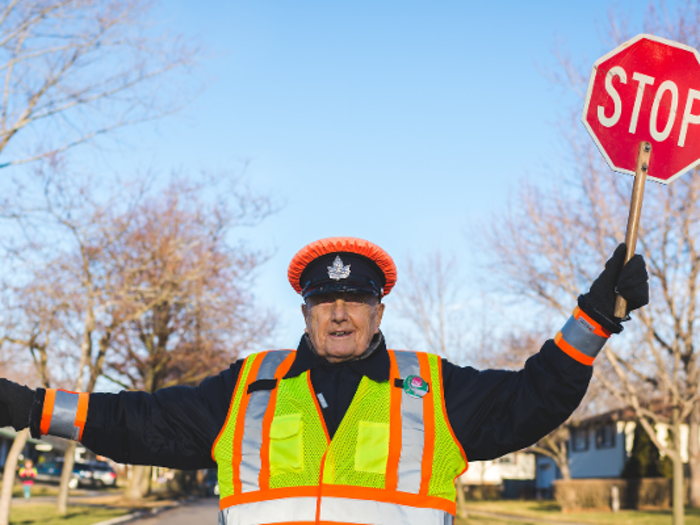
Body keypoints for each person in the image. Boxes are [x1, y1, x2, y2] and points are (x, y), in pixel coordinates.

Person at [0, 237, 648, 525]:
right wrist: (31, 406)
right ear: (306, 313)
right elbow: (136, 422)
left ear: (378, 312)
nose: (340, 312)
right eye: (325, 302)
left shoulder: (431, 386)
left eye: (355, 300)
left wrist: (593, 320)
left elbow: (534, 398)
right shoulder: (248, 385)